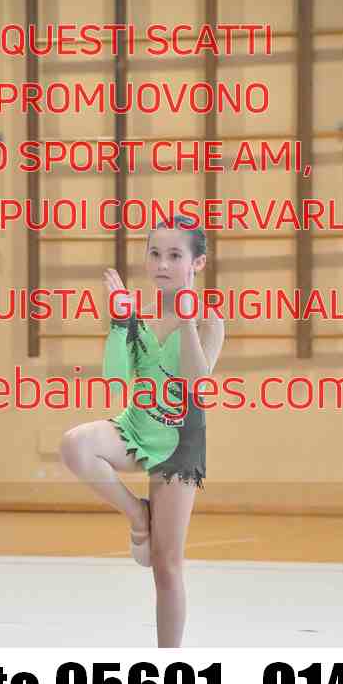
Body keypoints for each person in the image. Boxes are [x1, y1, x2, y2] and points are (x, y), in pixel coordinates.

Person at [59, 215, 225, 647]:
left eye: (174, 255)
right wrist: (120, 322)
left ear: (197, 263)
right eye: (155, 253)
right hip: (136, 428)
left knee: (166, 566)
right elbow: (116, 381)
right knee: (76, 445)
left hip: (179, 445)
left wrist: (186, 321)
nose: (162, 264)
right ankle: (137, 514)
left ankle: (169, 666)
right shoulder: (140, 317)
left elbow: (197, 385)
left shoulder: (209, 320)